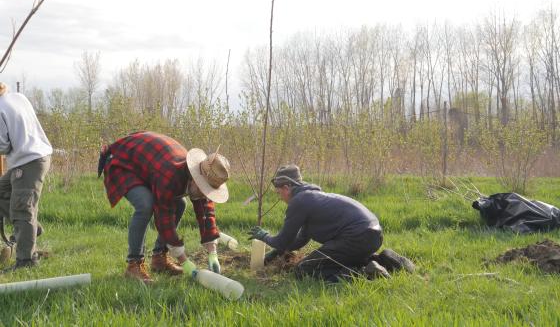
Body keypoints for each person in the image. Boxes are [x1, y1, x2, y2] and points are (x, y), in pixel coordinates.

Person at [99, 131, 230, 284]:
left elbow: (206, 212)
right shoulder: (169, 174)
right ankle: (133, 265)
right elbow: (163, 219)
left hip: (148, 165)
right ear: (195, 179)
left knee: (180, 203)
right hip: (123, 163)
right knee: (145, 205)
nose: (204, 193)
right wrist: (184, 261)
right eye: (203, 188)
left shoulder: (203, 174)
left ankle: (159, 259)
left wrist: (212, 253)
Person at [248, 165, 414, 283]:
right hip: (372, 235)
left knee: (303, 270)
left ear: (286, 187)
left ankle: (363, 274)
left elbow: (283, 240)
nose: (279, 197)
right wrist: (274, 254)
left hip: (356, 237)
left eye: (278, 193)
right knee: (335, 259)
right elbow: (301, 239)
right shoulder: (311, 197)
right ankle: (382, 260)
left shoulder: (299, 201)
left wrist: (265, 237)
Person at [0, 82, 52, 271]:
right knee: (2, 192)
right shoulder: (17, 98)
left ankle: (26, 261)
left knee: (23, 208)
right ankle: (31, 229)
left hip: (27, 162)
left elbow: (3, 146)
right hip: (39, 157)